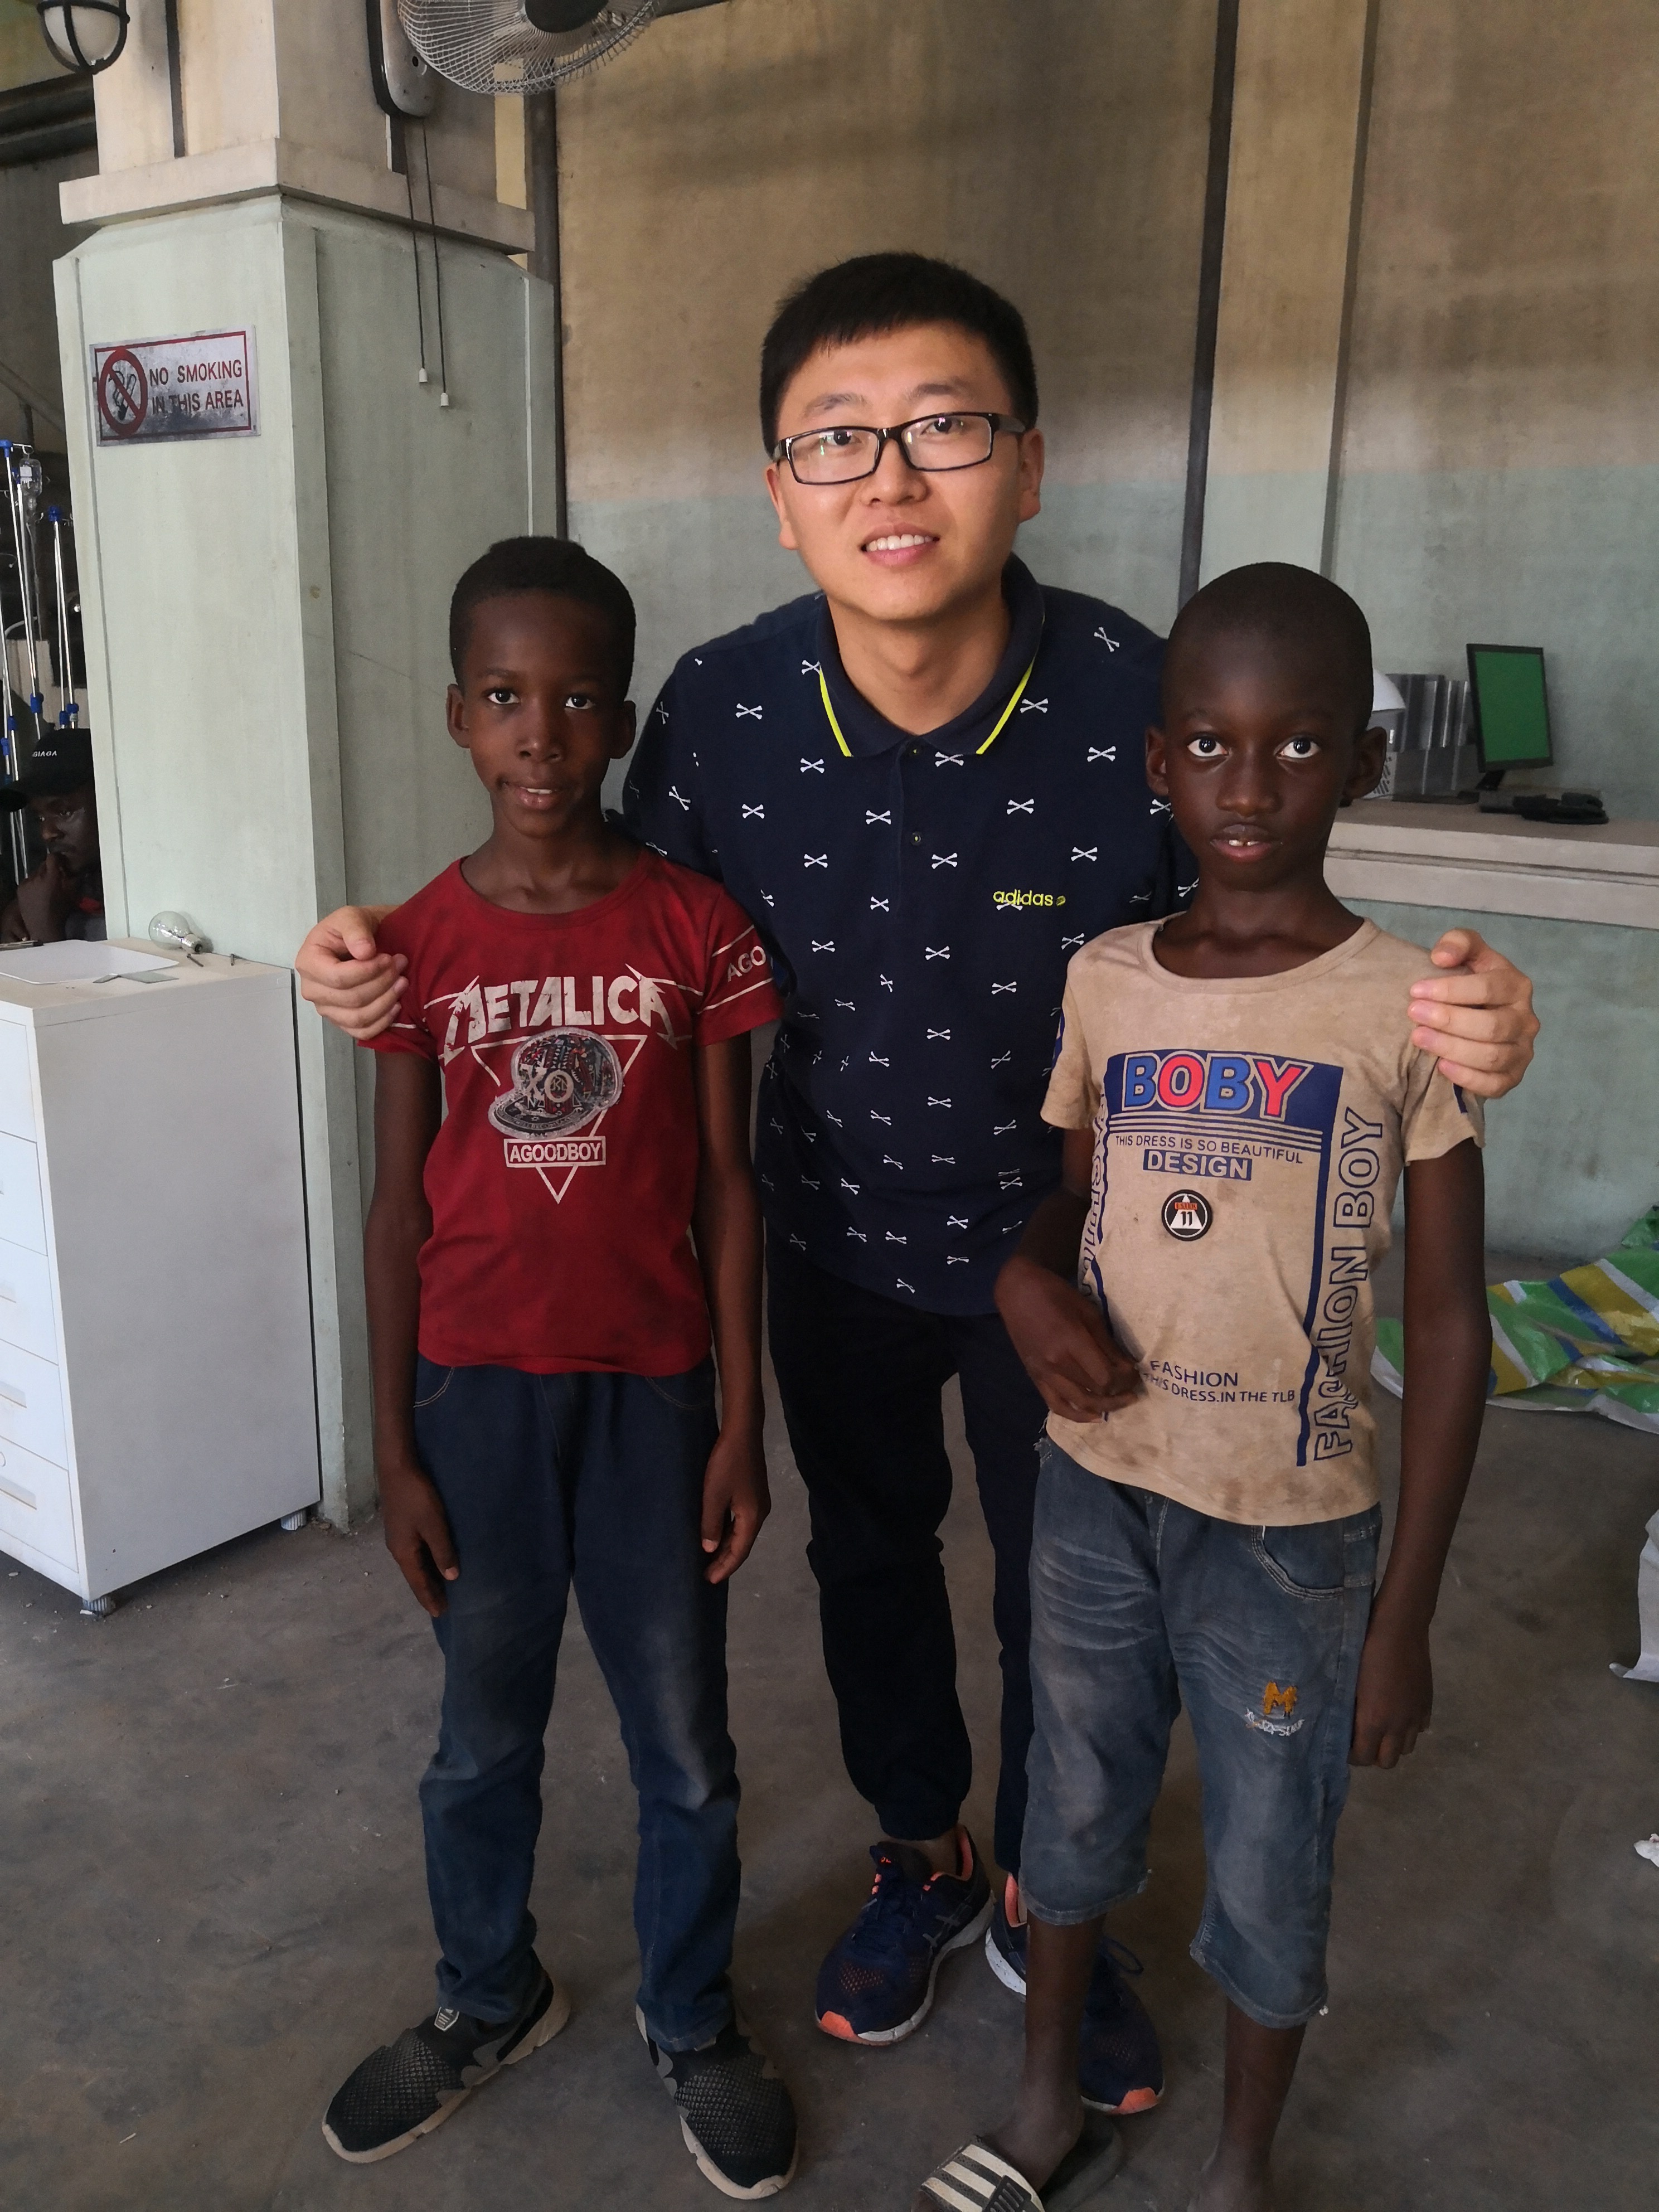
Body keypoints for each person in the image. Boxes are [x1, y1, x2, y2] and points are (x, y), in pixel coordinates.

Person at [294, 257, 1537, 2109]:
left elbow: (1274, 917)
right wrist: (374, 948)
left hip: (1092, 1268)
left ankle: (1056, 1900)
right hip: (827, 1233)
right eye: (836, 439)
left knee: (1070, 1607)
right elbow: (595, 900)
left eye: (944, 427)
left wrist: (1472, 1006)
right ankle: (921, 1852)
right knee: (867, 1557)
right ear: (778, 491)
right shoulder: (715, 711)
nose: (890, 476)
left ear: (1026, 465)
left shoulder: (1133, 696)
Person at [913, 564, 1491, 2212]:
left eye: (1297, 744)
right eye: (1214, 746)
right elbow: (1074, 1196)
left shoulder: (1409, 1005)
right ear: (1159, 761)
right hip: (1097, 1482)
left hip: (1291, 1531)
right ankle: (1047, 2107)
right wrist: (1021, 1278)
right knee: (1069, 1797)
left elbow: (1450, 1322)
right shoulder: (1107, 975)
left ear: (1359, 763)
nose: (1251, 786)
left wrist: (1403, 1613)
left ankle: (1240, 2167)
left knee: (1267, 1853)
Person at [319, 537, 798, 2199]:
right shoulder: (413, 945)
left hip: (654, 1397)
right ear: (459, 713)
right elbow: (397, 1203)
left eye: (580, 698)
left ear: (621, 719)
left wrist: (742, 1420)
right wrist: (392, 1444)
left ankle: (690, 2012)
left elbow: (730, 1186)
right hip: (474, 1400)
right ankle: (487, 1992)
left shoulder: (696, 927)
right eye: (507, 697)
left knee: (683, 1745)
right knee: (480, 1737)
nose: (543, 735)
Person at [0, 727, 104, 943]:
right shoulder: (70, 887)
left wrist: (43, 929)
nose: (47, 833)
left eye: (64, 812)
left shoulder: (144, 894)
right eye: (40, 817)